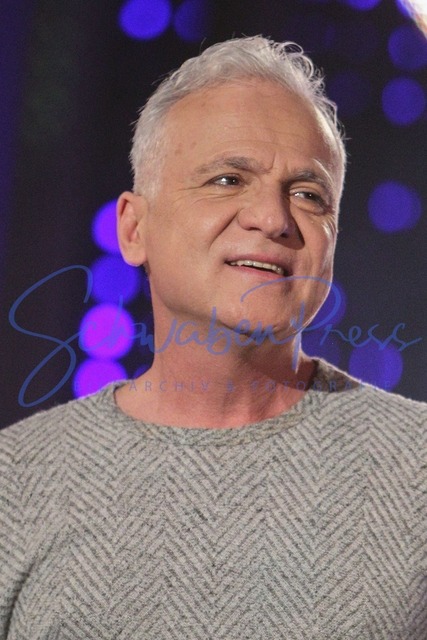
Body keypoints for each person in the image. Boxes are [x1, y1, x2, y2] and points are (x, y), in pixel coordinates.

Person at [1, 36, 426, 639]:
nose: (273, 219)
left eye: (309, 195)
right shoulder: (16, 480)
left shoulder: (417, 469)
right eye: (228, 179)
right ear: (134, 228)